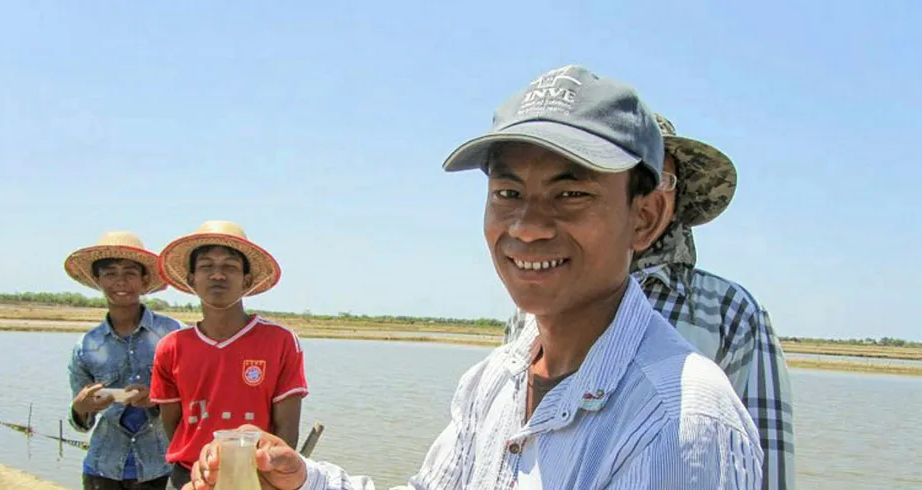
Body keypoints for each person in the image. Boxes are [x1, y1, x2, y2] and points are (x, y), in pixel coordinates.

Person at [182, 65, 763, 489]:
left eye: (570, 193)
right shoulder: (496, 381)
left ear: (646, 216)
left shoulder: (678, 421)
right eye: (508, 192)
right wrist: (303, 479)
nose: (529, 226)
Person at [502, 113, 795, 489]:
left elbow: (766, 469)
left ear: (660, 206)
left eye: (658, 176)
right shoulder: (538, 300)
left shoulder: (729, 312)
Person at [149, 220, 308, 490]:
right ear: (191, 280)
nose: (218, 275)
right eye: (206, 266)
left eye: (230, 267)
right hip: (188, 477)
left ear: (246, 280)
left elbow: (287, 430)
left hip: (255, 478)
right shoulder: (171, 347)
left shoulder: (280, 342)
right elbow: (173, 424)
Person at [64, 231, 183, 490]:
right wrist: (82, 408)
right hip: (103, 468)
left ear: (144, 280)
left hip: (162, 467)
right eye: (110, 273)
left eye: (130, 272)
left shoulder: (174, 336)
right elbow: (79, 422)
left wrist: (157, 399)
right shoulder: (87, 346)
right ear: (98, 280)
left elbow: (197, 402)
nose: (121, 281)